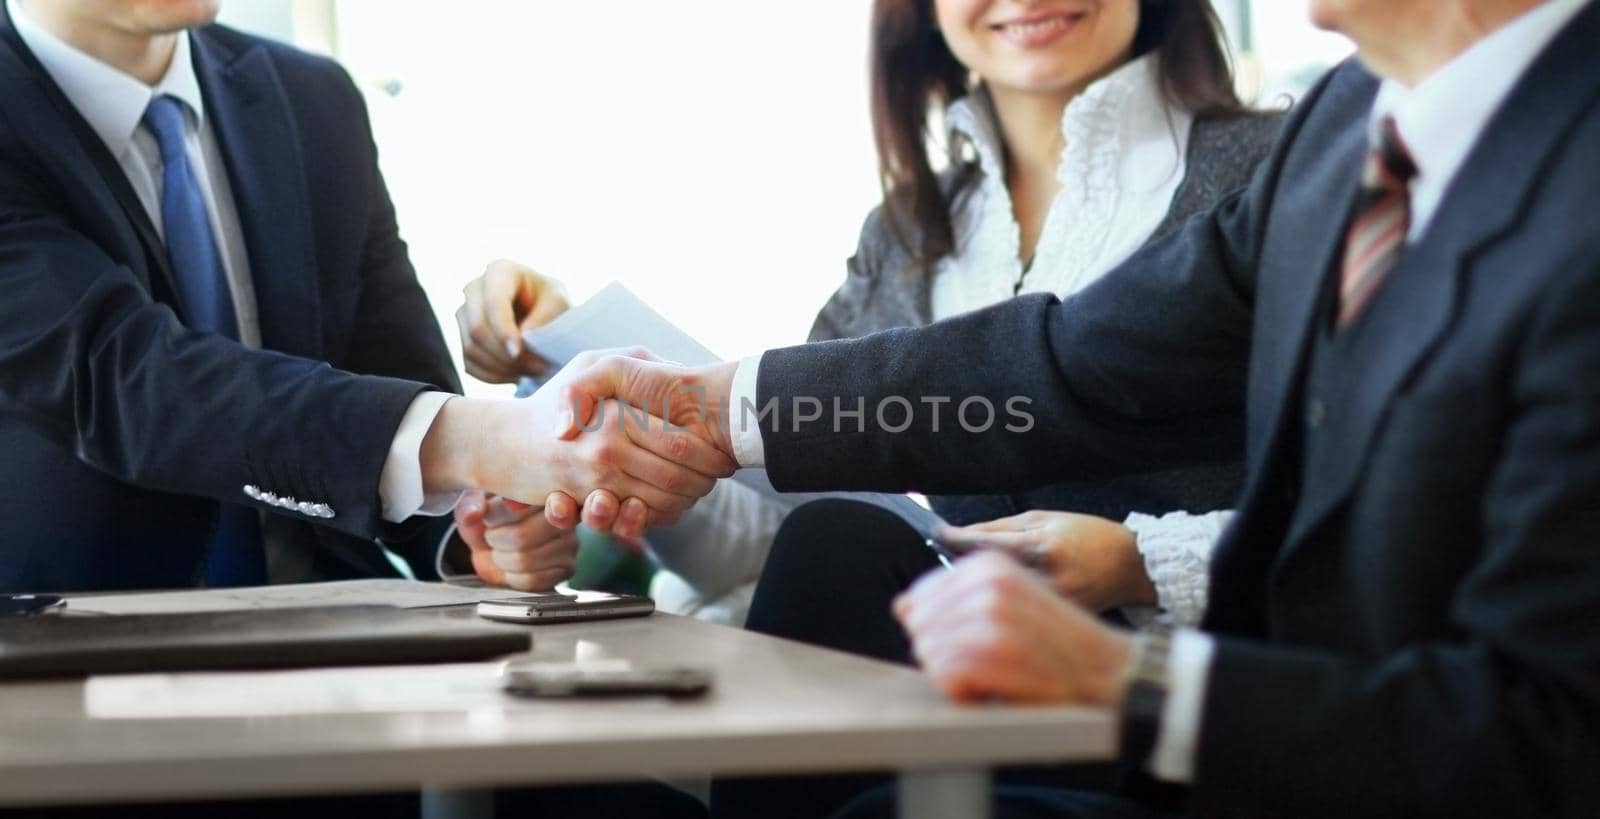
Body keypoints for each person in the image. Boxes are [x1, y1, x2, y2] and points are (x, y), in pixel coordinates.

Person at [554, 0, 1600, 815]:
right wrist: (721, 405)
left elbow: (1553, 737)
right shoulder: (1348, 123)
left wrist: (1132, 676)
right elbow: (1081, 360)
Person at [454, 0, 1280, 638]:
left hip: (1182, 677)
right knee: (829, 548)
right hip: (947, 677)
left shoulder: (1271, 175)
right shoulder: (905, 237)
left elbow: (1367, 509)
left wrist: (1138, 563)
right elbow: (773, 535)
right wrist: (604, 405)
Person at [0, 0, 731, 596]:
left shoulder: (313, 102)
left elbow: (400, 392)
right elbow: (129, 379)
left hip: (351, 653)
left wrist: (484, 524)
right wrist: (496, 443)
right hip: (79, 664)